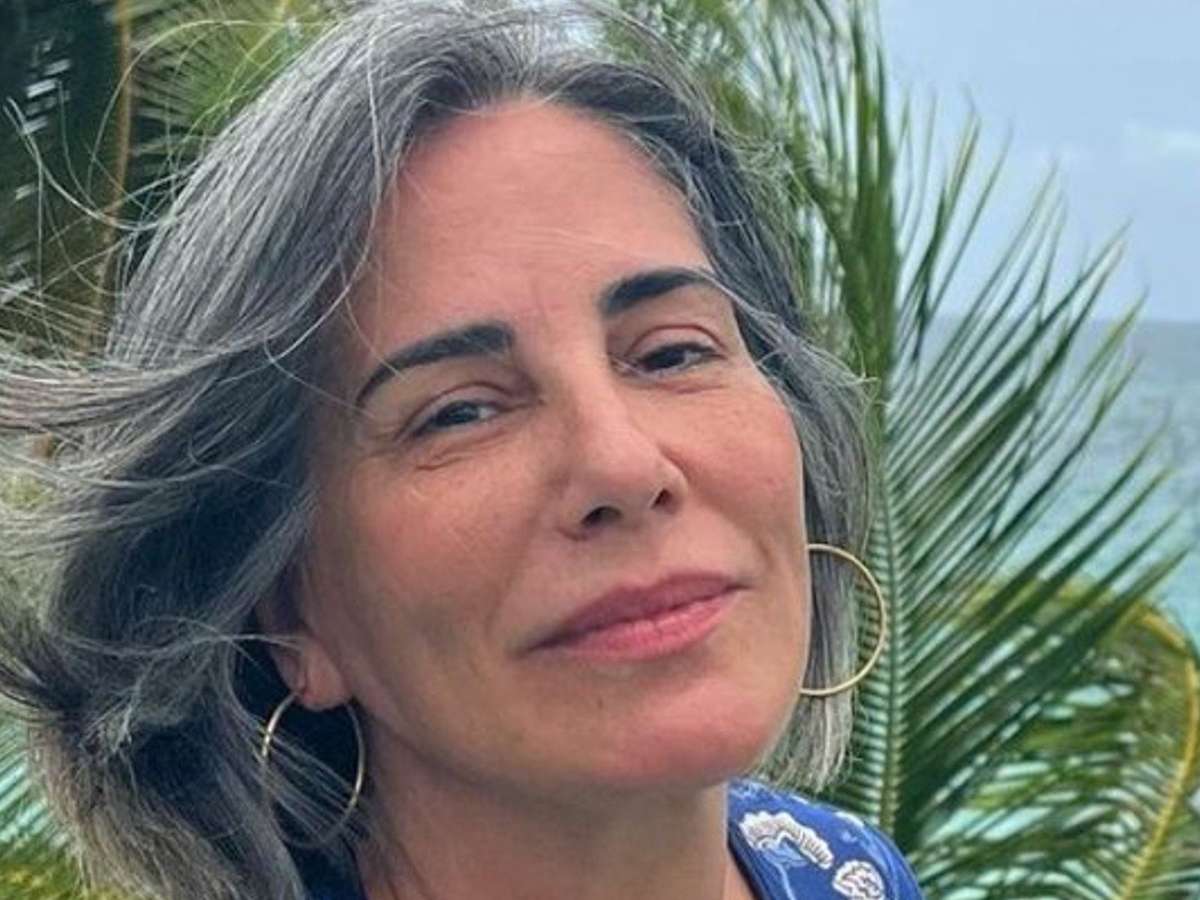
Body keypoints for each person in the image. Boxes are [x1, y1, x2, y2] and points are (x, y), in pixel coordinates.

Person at [0, 2, 924, 898]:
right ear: (287, 616)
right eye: (461, 412)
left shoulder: (846, 875)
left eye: (673, 352)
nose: (623, 465)